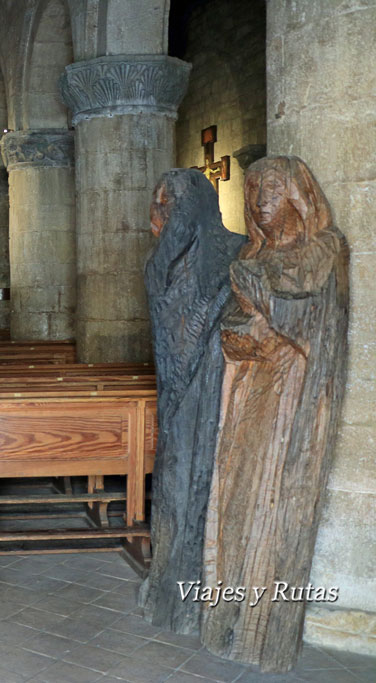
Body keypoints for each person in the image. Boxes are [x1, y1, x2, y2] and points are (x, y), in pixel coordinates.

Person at [201, 156, 349, 671]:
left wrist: (257, 297)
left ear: (298, 194)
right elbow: (235, 327)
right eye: (255, 186)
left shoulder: (322, 251)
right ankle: (228, 611)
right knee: (239, 499)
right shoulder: (249, 254)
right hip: (249, 398)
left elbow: (304, 320)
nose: (262, 195)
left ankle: (266, 630)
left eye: (274, 185)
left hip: (294, 406)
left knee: (276, 505)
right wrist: (244, 330)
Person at [140, 169, 244, 634]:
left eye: (165, 206)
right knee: (177, 488)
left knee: (206, 491)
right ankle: (172, 586)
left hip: (217, 399)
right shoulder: (161, 264)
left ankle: (201, 594)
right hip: (180, 400)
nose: (153, 217)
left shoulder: (237, 254)